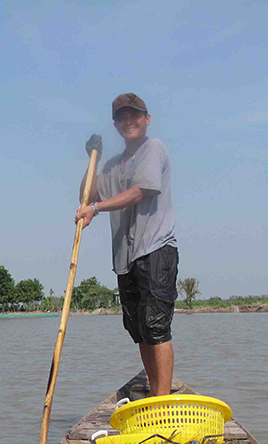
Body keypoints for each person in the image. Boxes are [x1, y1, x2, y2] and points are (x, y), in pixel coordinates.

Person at [75, 92, 178, 397]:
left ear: (147, 119)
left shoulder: (153, 149)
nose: (129, 121)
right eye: (122, 117)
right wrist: (92, 159)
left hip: (156, 248)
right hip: (126, 257)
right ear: (116, 125)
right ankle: (154, 387)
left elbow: (140, 191)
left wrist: (95, 209)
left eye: (135, 115)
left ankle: (163, 400)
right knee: (140, 330)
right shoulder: (112, 165)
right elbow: (89, 194)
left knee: (157, 327)